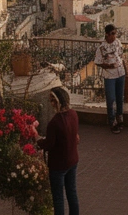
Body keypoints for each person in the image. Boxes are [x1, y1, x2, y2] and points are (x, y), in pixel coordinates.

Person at [38, 87, 80, 215]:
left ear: (57, 102)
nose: (51, 104)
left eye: (52, 101)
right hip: (72, 160)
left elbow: (48, 145)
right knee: (72, 192)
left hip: (58, 165)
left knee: (58, 198)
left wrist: (37, 138)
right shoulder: (73, 114)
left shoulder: (54, 122)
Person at [95, 24, 127, 133]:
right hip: (109, 76)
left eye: (115, 33)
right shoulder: (101, 47)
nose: (114, 36)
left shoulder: (118, 42)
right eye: (112, 34)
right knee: (111, 99)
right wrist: (108, 66)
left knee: (120, 97)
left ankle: (120, 117)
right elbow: (97, 62)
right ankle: (112, 121)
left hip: (120, 73)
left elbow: (122, 57)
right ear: (107, 34)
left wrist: (126, 70)